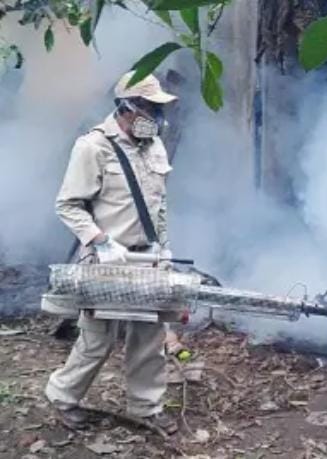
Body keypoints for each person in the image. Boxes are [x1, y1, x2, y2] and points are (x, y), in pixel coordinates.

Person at [45, 71, 178, 433]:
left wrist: (163, 248)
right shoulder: (93, 147)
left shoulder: (155, 145)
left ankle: (147, 408)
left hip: (146, 257)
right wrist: (100, 240)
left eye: (158, 109)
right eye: (149, 107)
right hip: (108, 259)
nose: (157, 116)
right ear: (126, 107)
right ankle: (63, 397)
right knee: (98, 339)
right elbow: (68, 205)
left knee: (150, 338)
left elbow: (159, 205)